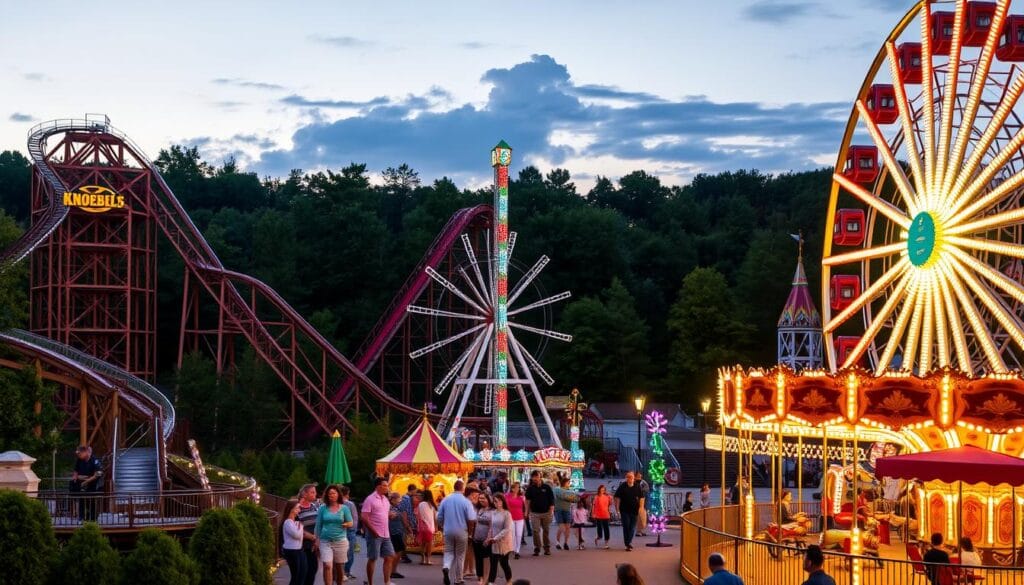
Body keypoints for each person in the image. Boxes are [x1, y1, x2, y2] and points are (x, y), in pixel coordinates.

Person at [437, 479, 476, 585]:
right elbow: (471, 519)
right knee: (460, 555)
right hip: (462, 531)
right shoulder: (466, 501)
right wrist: (470, 532)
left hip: (448, 530)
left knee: (448, 552)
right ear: (462, 488)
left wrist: (442, 526)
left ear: (454, 487)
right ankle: (458, 579)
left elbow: (439, 516)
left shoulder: (445, 500)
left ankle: (446, 566)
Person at [316, 485, 354, 585]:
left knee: (339, 567)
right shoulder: (322, 508)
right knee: (327, 565)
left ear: (338, 494)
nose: (331, 495)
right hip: (325, 541)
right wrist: (317, 540)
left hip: (340, 541)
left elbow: (351, 523)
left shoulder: (344, 508)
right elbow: (318, 525)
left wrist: (345, 524)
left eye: (333, 493)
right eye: (329, 494)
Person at [361, 478, 397, 585]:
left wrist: (390, 515)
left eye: (387, 485)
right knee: (373, 558)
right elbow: (364, 517)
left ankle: (387, 582)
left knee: (390, 556)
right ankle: (370, 582)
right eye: (385, 485)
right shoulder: (370, 499)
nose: (387, 487)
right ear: (378, 486)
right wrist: (373, 531)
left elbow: (384, 514)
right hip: (374, 534)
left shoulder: (385, 499)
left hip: (386, 533)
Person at [486, 493, 515, 585]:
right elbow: (491, 527)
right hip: (494, 542)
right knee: (493, 563)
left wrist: (496, 538)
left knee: (504, 563)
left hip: (504, 542)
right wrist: (489, 538)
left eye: (498, 501)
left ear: (502, 502)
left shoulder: (507, 514)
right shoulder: (493, 513)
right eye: (494, 501)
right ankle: (491, 582)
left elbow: (507, 529)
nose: (496, 503)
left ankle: (509, 580)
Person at [524, 470, 554, 556]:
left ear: (540, 476)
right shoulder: (530, 488)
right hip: (534, 513)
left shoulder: (547, 487)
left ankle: (547, 548)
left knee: (546, 530)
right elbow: (527, 501)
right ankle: (537, 547)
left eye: (536, 476)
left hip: (546, 512)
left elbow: (551, 500)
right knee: (535, 531)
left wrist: (551, 512)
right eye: (533, 477)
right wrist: (526, 512)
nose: (535, 478)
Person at [296, 484, 321, 585]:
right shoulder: (297, 508)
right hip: (302, 545)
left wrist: (317, 540)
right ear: (304, 494)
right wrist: (311, 537)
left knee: (313, 570)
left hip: (314, 544)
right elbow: (295, 527)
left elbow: (319, 524)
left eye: (315, 492)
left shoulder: (315, 507)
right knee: (303, 572)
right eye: (312, 492)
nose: (315, 494)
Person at [70, 445, 103, 521]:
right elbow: (76, 470)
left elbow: (97, 475)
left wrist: (85, 481)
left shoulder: (95, 460)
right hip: (82, 486)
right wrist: (76, 477)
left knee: (91, 503)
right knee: (81, 501)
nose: (79, 455)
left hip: (93, 486)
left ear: (86, 452)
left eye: (80, 453)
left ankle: (92, 519)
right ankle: (81, 518)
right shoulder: (79, 460)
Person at [614, 471, 643, 551]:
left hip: (634, 510)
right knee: (626, 526)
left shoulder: (637, 486)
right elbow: (617, 497)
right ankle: (627, 544)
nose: (630, 479)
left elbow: (641, 497)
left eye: (631, 477)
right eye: (628, 477)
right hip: (624, 510)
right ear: (626, 478)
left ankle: (628, 542)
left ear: (634, 478)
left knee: (632, 527)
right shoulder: (623, 486)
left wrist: (641, 508)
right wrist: (617, 509)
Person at [282, 500, 308, 585]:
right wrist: (301, 526)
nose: (299, 510)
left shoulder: (295, 522)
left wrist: (299, 526)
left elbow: (300, 535)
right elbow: (297, 535)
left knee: (302, 573)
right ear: (292, 509)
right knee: (296, 575)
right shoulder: (288, 522)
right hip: (291, 551)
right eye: (297, 508)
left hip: (299, 549)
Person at [471, 492, 494, 584]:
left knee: (486, 559)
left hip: (486, 539)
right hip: (476, 538)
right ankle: (480, 577)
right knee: (478, 558)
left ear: (488, 499)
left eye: (483, 498)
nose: (481, 500)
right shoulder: (478, 509)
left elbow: (491, 526)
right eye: (480, 498)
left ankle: (486, 578)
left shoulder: (492, 511)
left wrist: (488, 538)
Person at [553, 475, 579, 550]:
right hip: (559, 510)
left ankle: (566, 543)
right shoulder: (557, 490)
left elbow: (576, 499)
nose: (569, 484)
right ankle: (558, 542)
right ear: (564, 483)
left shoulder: (570, 491)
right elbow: (563, 496)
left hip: (567, 510)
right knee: (561, 527)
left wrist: (571, 497)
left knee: (567, 527)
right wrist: (570, 497)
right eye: (568, 483)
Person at [340, 486, 359, 581]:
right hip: (349, 531)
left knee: (340, 554)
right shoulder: (350, 504)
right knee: (349, 554)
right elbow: (355, 520)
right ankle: (346, 573)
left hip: (338, 532)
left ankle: (339, 573)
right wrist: (353, 530)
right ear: (347, 493)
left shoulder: (335, 504)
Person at [387, 492, 407, 579]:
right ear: (393, 499)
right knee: (397, 551)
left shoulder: (396, 507)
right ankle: (392, 571)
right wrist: (399, 514)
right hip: (394, 532)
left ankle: (393, 570)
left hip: (398, 531)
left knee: (398, 551)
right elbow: (391, 516)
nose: (399, 502)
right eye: (398, 501)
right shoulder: (390, 507)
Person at [505, 482, 527, 559]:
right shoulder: (507, 496)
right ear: (512, 488)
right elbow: (505, 507)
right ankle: (514, 548)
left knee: (519, 534)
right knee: (513, 534)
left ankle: (517, 550)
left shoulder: (521, 497)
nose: (518, 489)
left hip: (520, 518)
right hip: (510, 518)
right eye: (516, 487)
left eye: (518, 487)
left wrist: (526, 514)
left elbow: (524, 507)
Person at [397, 485, 418, 564]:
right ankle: (403, 555)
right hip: (404, 523)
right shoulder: (406, 499)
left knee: (404, 539)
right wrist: (407, 525)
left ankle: (403, 555)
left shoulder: (407, 499)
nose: (415, 493)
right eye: (415, 491)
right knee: (403, 539)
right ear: (412, 490)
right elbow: (404, 512)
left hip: (405, 522)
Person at [416, 490, 437, 565]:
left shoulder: (421, 504)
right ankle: (428, 560)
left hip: (422, 526)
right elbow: (435, 517)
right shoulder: (432, 505)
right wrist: (436, 526)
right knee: (429, 544)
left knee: (423, 544)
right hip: (430, 527)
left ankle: (423, 559)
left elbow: (418, 515)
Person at [591, 484, 612, 549]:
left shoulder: (607, 497)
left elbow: (610, 505)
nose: (602, 490)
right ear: (599, 490)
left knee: (606, 529)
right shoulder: (596, 497)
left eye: (603, 489)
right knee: (599, 529)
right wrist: (592, 513)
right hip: (598, 515)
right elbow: (593, 506)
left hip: (606, 514)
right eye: (601, 489)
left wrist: (609, 511)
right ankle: (598, 538)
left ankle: (606, 543)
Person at [635, 472, 649, 536]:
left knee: (643, 517)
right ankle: (638, 531)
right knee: (639, 517)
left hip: (643, 501)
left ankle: (641, 530)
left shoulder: (643, 482)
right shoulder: (634, 482)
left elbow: (647, 490)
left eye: (640, 476)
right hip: (637, 502)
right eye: (638, 476)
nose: (639, 477)